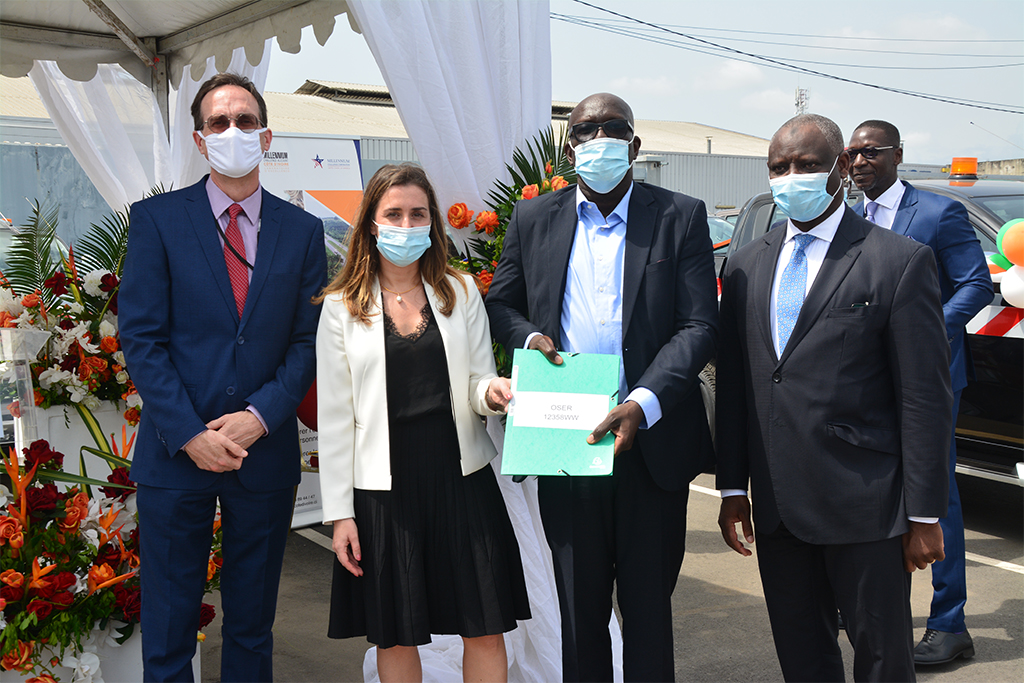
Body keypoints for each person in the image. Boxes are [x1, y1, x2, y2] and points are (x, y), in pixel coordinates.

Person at [486, 93, 718, 682]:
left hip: (649, 446)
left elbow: (698, 325)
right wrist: (530, 337)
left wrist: (642, 402)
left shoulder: (680, 216)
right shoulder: (534, 217)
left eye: (610, 130)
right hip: (567, 444)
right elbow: (502, 304)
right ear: (570, 148)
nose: (596, 141)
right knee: (577, 613)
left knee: (647, 612)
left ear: (635, 146)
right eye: (584, 131)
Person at [716, 113, 953, 682]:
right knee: (803, 659)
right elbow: (737, 384)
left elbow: (924, 398)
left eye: (806, 165)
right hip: (777, 510)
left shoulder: (896, 261)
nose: (789, 177)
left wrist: (924, 514)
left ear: (842, 167)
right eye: (778, 168)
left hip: (865, 508)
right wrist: (731, 486)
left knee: (882, 660)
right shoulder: (747, 265)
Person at [119, 73, 327, 682]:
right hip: (175, 453)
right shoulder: (157, 220)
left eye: (244, 121)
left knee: (251, 622)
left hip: (262, 458)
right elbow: (142, 339)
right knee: (168, 622)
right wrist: (190, 432)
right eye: (218, 122)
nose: (231, 131)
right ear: (199, 138)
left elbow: (306, 340)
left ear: (266, 137)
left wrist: (260, 417)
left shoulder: (302, 229)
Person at [316, 163, 531, 683]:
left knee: (483, 624)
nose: (406, 225)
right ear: (370, 222)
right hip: (382, 491)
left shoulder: (459, 291)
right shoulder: (341, 308)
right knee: (396, 631)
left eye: (418, 214)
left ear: (433, 222)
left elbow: (479, 381)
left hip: (462, 479)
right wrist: (341, 514)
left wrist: (495, 392)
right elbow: (336, 418)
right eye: (393, 214)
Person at [848, 119, 993, 666]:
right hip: (865, 377)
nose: (859, 162)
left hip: (928, 378)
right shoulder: (848, 217)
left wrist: (924, 329)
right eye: (851, 154)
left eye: (871, 152)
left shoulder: (938, 212)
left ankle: (950, 623)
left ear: (898, 155)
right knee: (870, 487)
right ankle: (864, 599)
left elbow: (975, 283)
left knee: (936, 497)